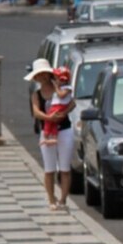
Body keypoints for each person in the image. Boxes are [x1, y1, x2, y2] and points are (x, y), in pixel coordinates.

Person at [24, 58, 76, 211]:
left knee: (65, 168)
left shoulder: (60, 87)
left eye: (44, 74)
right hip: (46, 132)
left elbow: (72, 103)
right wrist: (49, 118)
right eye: (39, 75)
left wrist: (63, 113)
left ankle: (63, 198)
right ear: (35, 78)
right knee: (49, 169)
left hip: (64, 130)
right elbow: (36, 112)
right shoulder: (37, 94)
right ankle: (51, 198)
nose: (42, 77)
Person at [41, 66, 72, 146]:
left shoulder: (66, 88)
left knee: (48, 120)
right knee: (54, 123)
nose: (56, 81)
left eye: (57, 79)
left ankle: (46, 137)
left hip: (59, 107)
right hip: (56, 106)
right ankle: (54, 138)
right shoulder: (62, 88)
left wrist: (56, 87)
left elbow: (61, 95)